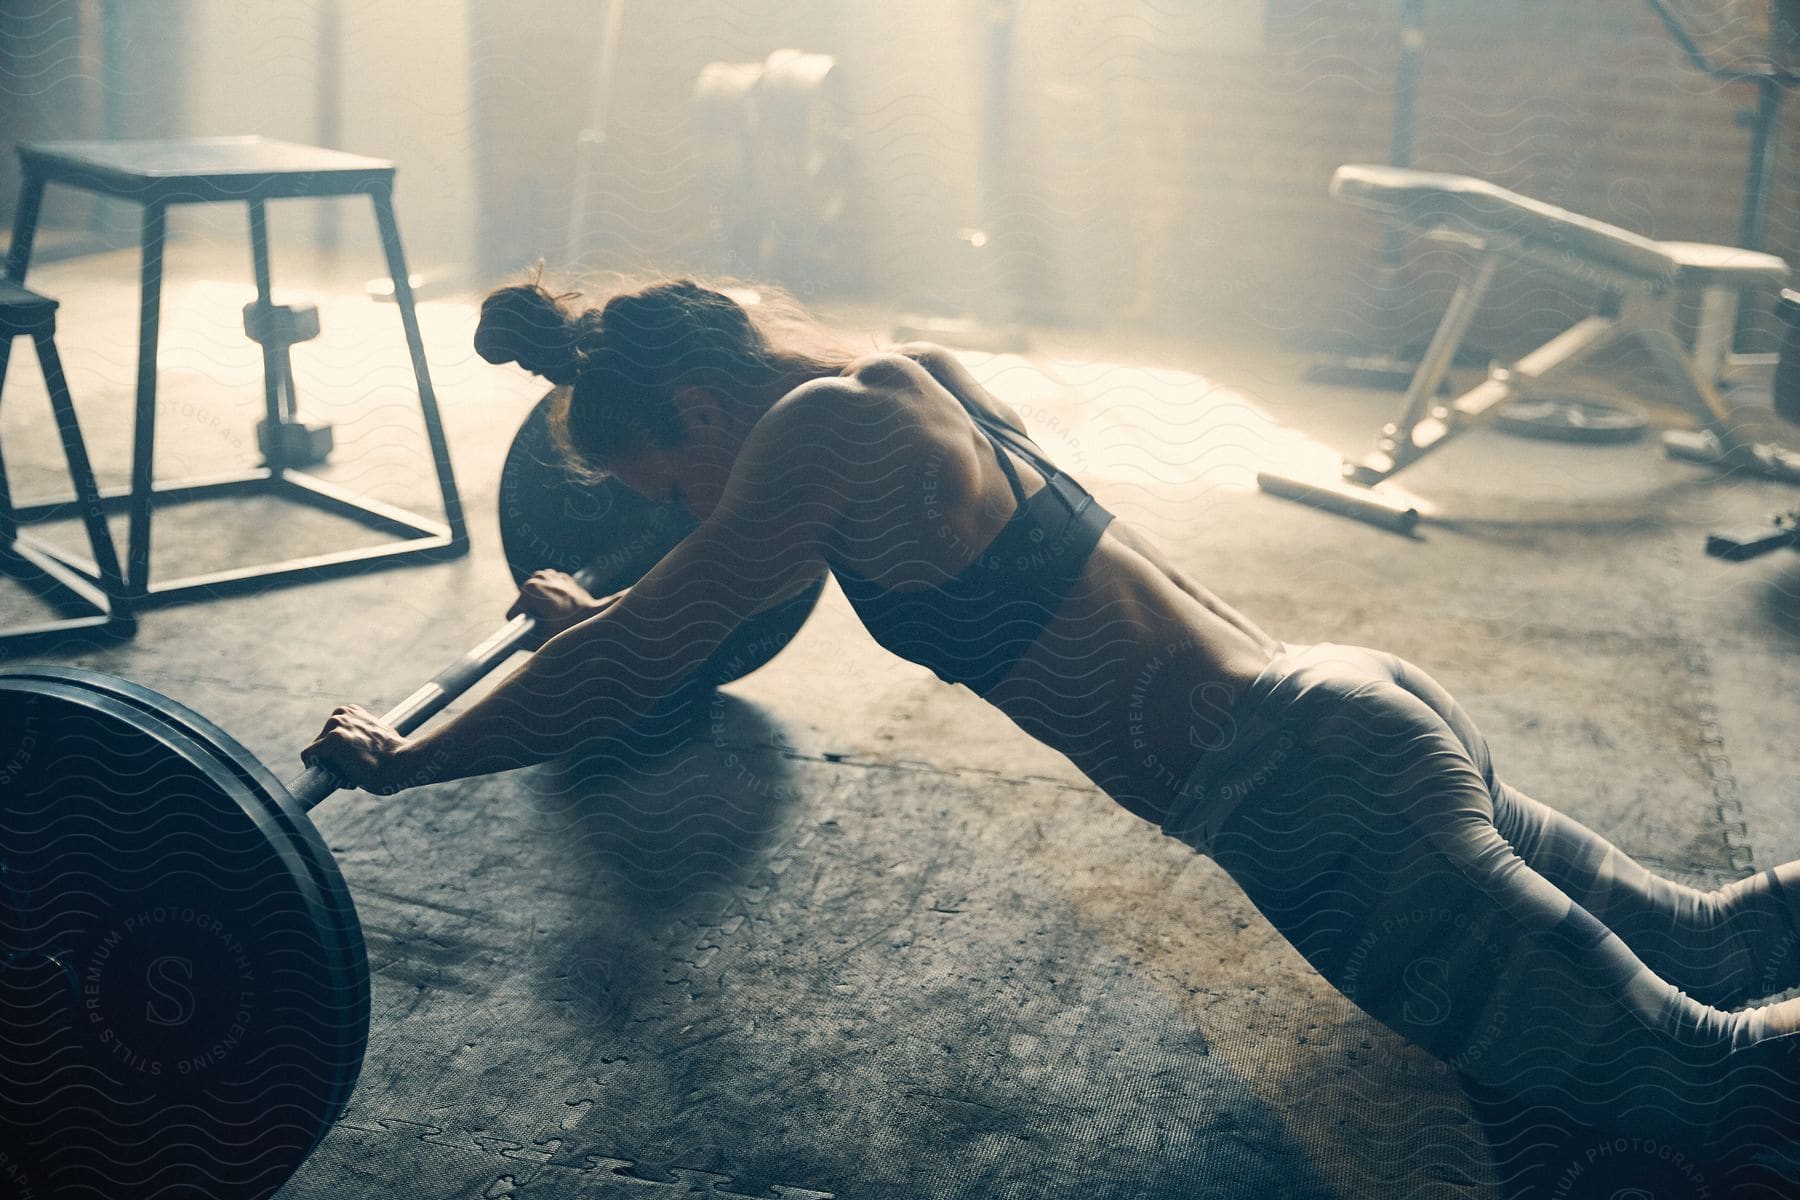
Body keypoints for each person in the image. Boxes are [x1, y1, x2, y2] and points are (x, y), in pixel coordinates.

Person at [304, 276, 1800, 1161]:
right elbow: (698, 607)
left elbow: (659, 648)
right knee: (1716, 938)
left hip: (1304, 799)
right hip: (1349, 706)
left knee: (1702, 1093)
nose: (686, 516)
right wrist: (615, 615)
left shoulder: (807, 446)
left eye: (672, 490)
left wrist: (418, 753)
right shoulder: (893, 382)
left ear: (701, 409)